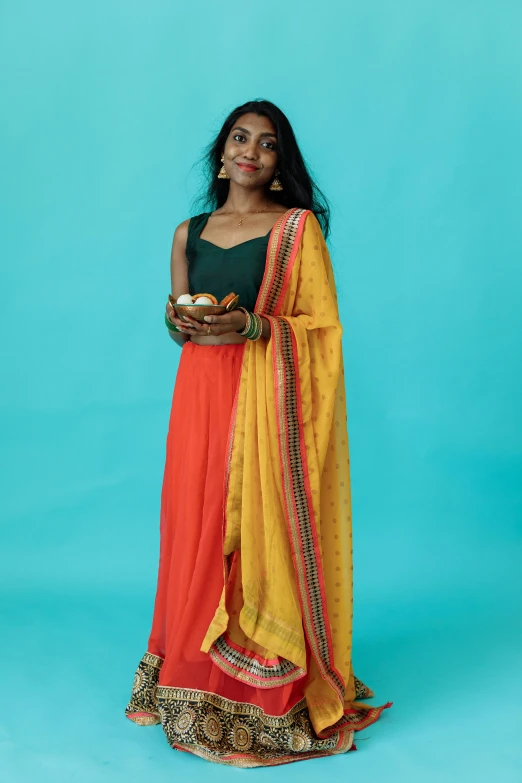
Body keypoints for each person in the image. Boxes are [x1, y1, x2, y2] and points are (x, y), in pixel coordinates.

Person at [125, 99, 391, 767]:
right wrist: (178, 322)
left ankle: (260, 687)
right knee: (196, 529)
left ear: (278, 166)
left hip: (260, 405)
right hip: (199, 402)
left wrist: (252, 329)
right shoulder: (188, 233)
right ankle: (190, 682)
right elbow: (181, 320)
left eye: (267, 144)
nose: (251, 150)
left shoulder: (296, 231)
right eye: (240, 138)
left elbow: (321, 331)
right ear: (221, 153)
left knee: (248, 530)